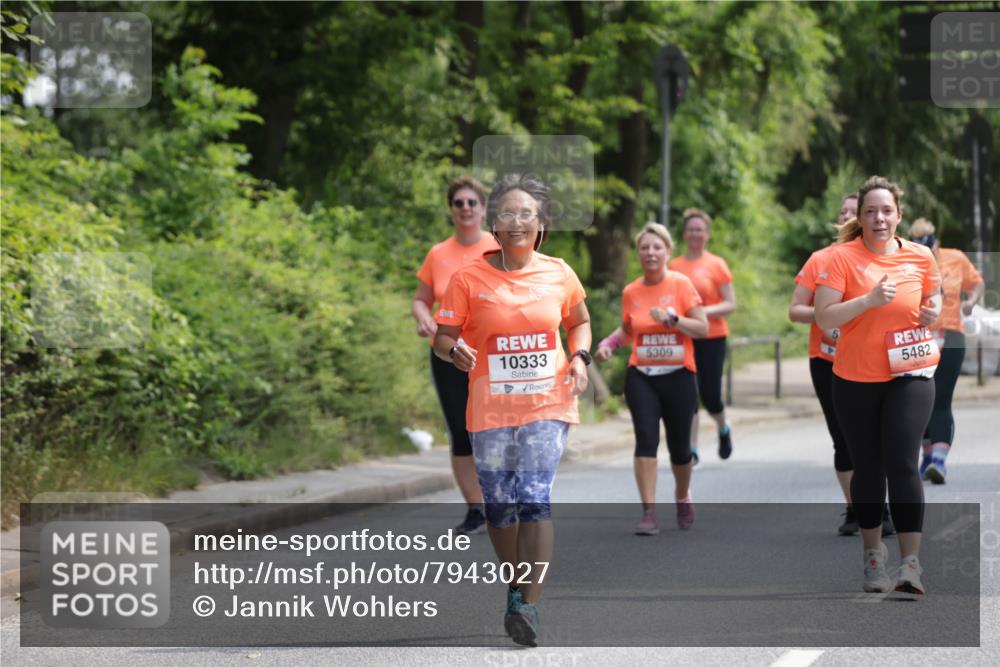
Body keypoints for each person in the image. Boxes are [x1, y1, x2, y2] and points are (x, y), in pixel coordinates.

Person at [433, 173, 591, 647]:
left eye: (527, 213)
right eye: (507, 213)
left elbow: (579, 322)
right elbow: (443, 337)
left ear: (540, 225)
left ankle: (531, 606)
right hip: (491, 409)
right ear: (494, 226)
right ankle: (516, 586)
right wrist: (453, 350)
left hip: (547, 403)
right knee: (500, 508)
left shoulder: (559, 272)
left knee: (534, 497)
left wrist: (580, 357)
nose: (517, 220)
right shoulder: (467, 278)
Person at [815, 176, 941, 596]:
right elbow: (825, 317)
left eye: (886, 210)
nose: (878, 218)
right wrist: (868, 300)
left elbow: (934, 298)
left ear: (899, 215)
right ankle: (873, 558)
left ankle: (910, 564)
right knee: (868, 468)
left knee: (903, 464)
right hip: (854, 378)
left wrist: (930, 312)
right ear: (861, 217)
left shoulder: (921, 256)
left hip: (910, 373)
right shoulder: (841, 258)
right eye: (870, 211)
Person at [596, 223, 708, 535]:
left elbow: (703, 328)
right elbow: (628, 328)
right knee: (646, 440)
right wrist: (609, 344)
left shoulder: (682, 284)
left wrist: (674, 320)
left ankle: (682, 495)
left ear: (668, 252)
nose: (650, 253)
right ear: (638, 254)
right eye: (644, 248)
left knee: (680, 449)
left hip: (679, 376)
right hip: (642, 375)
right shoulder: (632, 291)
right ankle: (648, 512)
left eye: (656, 247)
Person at [412, 175, 498, 535]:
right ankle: (475, 509)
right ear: (451, 210)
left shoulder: (498, 247)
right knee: (461, 432)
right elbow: (421, 299)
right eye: (458, 203)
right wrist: (422, 319)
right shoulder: (439, 253)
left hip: (491, 354)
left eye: (471, 202)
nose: (465, 208)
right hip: (448, 353)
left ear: (482, 209)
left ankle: (501, 501)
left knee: (494, 430)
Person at [907, 218, 984, 484]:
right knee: (918, 400)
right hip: (917, 338)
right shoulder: (906, 260)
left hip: (951, 335)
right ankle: (927, 456)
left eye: (929, 249)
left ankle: (939, 460)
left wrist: (971, 302)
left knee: (940, 398)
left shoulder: (955, 258)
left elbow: (977, 284)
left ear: (935, 243)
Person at [669, 209, 736, 463]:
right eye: (691, 229)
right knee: (689, 394)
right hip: (684, 335)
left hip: (713, 336)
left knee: (710, 395)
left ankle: (723, 426)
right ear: (685, 234)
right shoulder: (674, 266)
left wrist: (702, 311)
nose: (695, 233)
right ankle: (692, 450)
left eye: (700, 229)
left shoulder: (716, 264)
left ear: (707, 234)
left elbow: (730, 303)